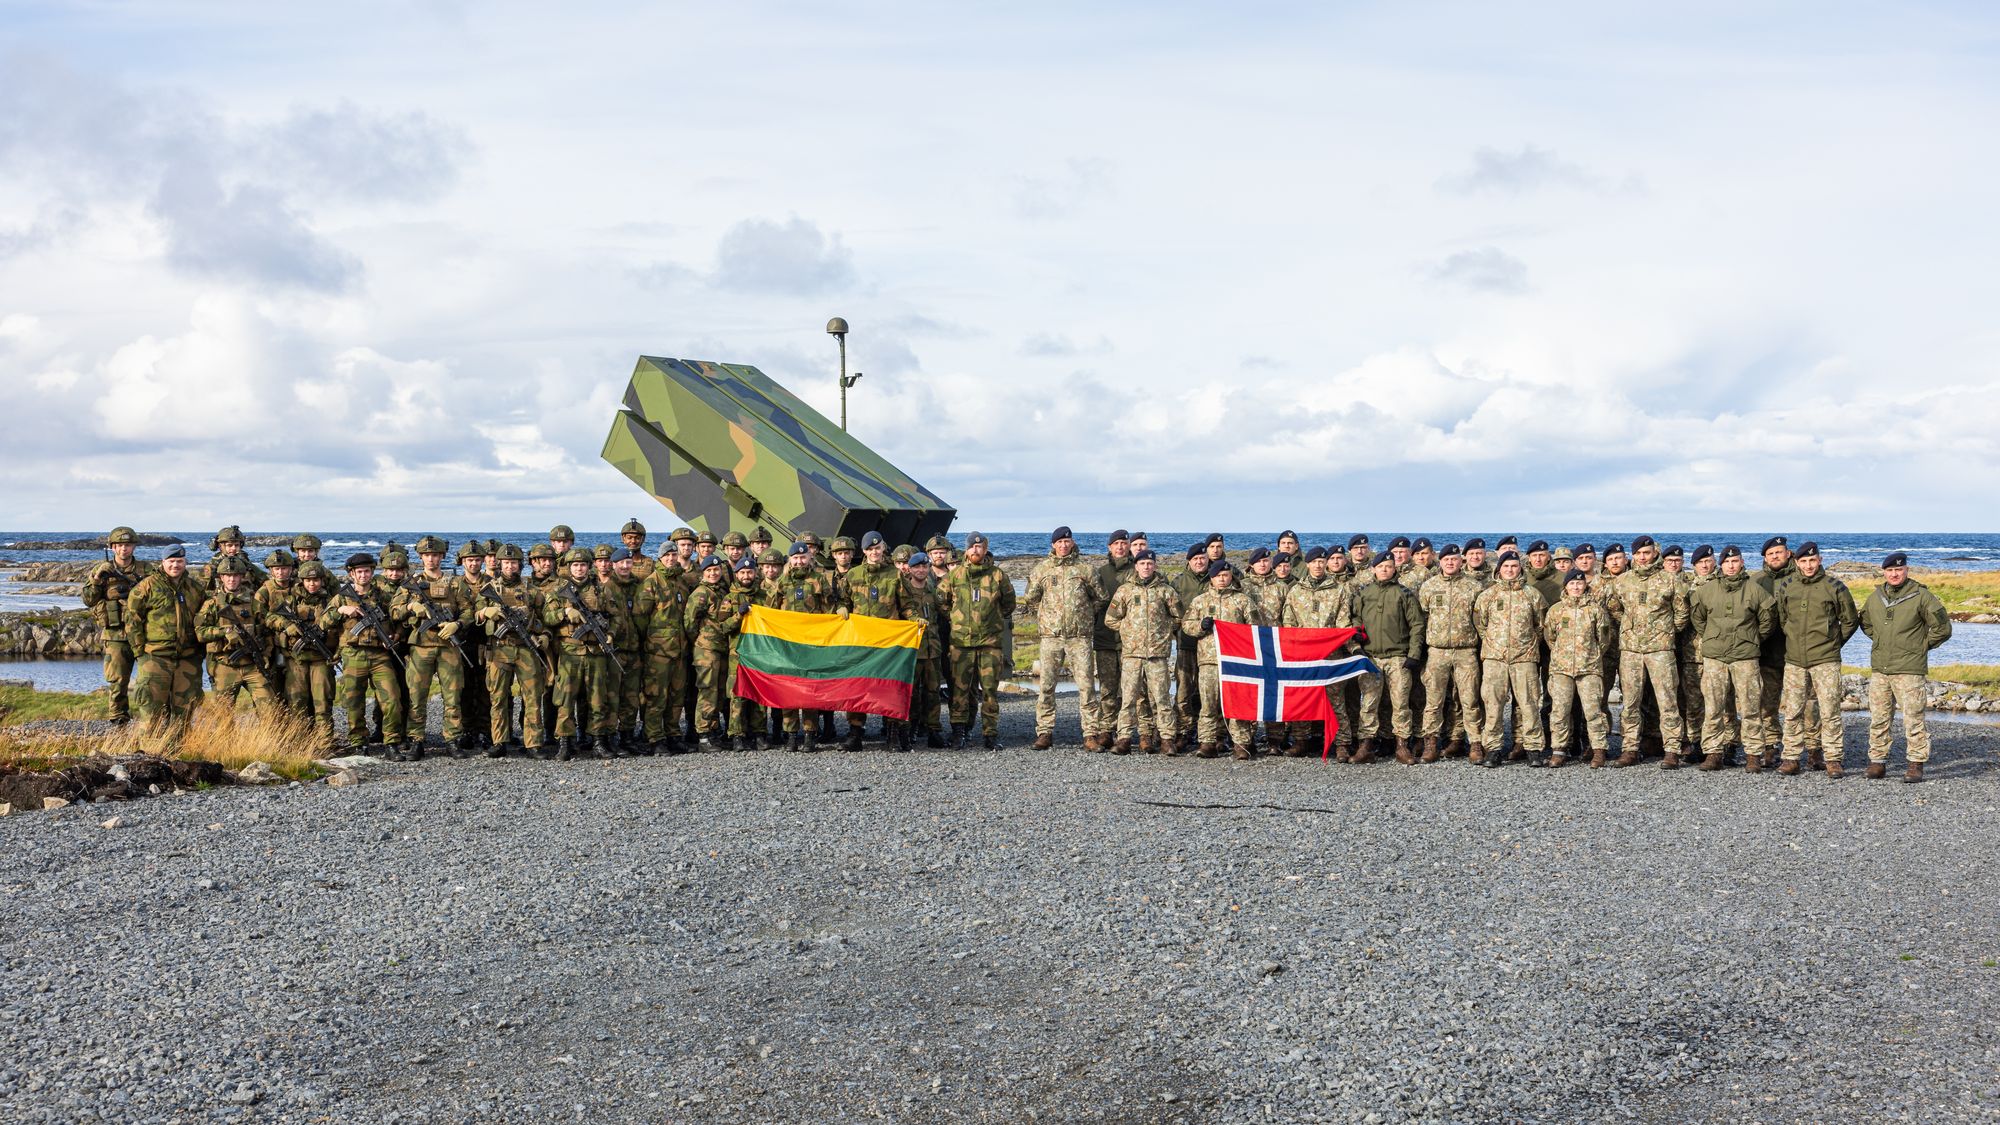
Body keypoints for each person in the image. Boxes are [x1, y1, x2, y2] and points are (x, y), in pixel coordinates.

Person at [1858, 551, 1953, 783]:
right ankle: (1877, 762)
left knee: (1913, 718)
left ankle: (1915, 764)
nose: (1894, 574)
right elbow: (1866, 623)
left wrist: (1920, 646)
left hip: (1910, 670)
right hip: (1881, 668)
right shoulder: (1876, 597)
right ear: (1884, 572)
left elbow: (1943, 628)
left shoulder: (1922, 596)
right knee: (1879, 718)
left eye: (1898, 570)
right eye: (1890, 570)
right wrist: (1881, 641)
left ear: (1906, 570)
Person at [1602, 535, 1690, 768]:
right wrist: (1631, 628)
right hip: (1631, 650)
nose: (1643, 557)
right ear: (1633, 556)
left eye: (1647, 553)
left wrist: (1665, 632)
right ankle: (1630, 748)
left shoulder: (1669, 580)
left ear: (1654, 554)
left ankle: (1672, 749)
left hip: (1660, 650)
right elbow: (1614, 608)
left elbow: (1682, 613)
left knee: (1667, 700)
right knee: (1630, 702)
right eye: (1639, 553)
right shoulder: (1622, 581)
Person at [1774, 542, 1859, 776]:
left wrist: (1834, 643)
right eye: (1803, 561)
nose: (1808, 565)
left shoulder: (1835, 587)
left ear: (1819, 560)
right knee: (1792, 710)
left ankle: (1833, 758)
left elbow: (1850, 620)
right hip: (1794, 660)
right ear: (1796, 562)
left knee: (1830, 710)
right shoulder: (1786, 587)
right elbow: (1783, 620)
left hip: (1826, 660)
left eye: (1812, 560)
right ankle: (1791, 757)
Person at [1690, 546, 1776, 772]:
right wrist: (1711, 637)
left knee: (1750, 707)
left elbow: (1768, 619)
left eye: (1735, 561)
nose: (1731, 566)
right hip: (1715, 657)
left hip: (1745, 656)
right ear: (1720, 564)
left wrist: (1753, 639)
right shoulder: (1707, 590)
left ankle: (1753, 754)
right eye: (1727, 562)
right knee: (1714, 707)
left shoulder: (1754, 589)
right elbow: (1698, 618)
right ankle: (1713, 753)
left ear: (1742, 563)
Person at [1022, 526, 1101, 750]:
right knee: (1046, 686)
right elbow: (1030, 597)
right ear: (1053, 545)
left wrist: (1084, 616)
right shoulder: (1043, 569)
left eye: (1067, 541)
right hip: (1051, 638)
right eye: (1059, 542)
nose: (1064, 545)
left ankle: (1090, 734)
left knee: (1086, 687)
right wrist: (1047, 616)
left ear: (1073, 543)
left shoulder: (1085, 569)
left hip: (1080, 638)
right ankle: (1044, 732)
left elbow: (1100, 598)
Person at [393, 536, 470, 759]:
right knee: (417, 696)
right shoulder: (412, 583)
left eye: (435, 555)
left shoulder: (454, 583)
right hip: (421, 646)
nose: (431, 559)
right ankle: (416, 739)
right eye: (427, 555)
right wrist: (410, 606)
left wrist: (458, 624)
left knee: (453, 695)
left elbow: (468, 610)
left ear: (442, 557)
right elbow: (394, 611)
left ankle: (452, 739)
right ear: (421, 557)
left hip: (449, 647)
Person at [322, 554, 405, 755]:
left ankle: (391, 742)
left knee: (392, 699)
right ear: (351, 574)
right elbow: (323, 623)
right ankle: (359, 742)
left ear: (372, 572)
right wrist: (341, 610)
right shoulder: (342, 597)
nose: (364, 575)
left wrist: (396, 636)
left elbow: (398, 619)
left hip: (380, 655)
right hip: (353, 654)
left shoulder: (383, 595)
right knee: (354, 701)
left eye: (367, 571)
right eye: (359, 572)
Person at [938, 533, 1015, 749]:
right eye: (972, 546)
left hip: (990, 644)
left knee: (990, 691)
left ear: (985, 549)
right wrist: (957, 619)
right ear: (967, 549)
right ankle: (959, 732)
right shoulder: (955, 576)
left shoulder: (998, 576)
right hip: (961, 644)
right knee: (960, 691)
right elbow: (941, 602)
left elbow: (1009, 603)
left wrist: (993, 620)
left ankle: (990, 734)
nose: (975, 550)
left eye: (980, 547)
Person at [1103, 548, 1183, 754]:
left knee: (1162, 699)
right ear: (1136, 566)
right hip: (1132, 654)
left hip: (1157, 655)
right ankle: (1124, 738)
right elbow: (1110, 619)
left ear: (1155, 566)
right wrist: (1128, 630)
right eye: (1142, 564)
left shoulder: (1166, 591)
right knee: (1129, 699)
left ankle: (1167, 739)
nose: (1146, 567)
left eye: (1150, 563)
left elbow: (1179, 618)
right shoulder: (1125, 591)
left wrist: (1164, 630)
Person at [473, 544, 550, 758]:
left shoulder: (531, 590)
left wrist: (544, 636)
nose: (509, 566)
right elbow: (473, 615)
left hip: (526, 649)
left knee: (533, 697)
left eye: (514, 563)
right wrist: (486, 612)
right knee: (498, 697)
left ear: (520, 565)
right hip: (499, 649)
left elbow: (545, 620)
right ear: (499, 564)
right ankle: (499, 741)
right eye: (506, 563)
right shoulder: (489, 590)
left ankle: (533, 743)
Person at [124, 546, 207, 744]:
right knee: (151, 714)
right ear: (163, 562)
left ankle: (180, 756)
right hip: (155, 658)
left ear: (185, 562)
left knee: (184, 715)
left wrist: (199, 653)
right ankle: (145, 755)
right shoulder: (146, 587)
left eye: (179, 561)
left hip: (187, 659)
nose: (175, 565)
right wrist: (140, 653)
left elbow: (204, 621)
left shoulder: (195, 589)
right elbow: (132, 620)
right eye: (171, 561)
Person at [1180, 561, 1261, 759]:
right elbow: (1186, 625)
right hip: (1209, 660)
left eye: (1225, 575)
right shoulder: (1200, 601)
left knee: (1237, 703)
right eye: (1218, 576)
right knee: (1208, 703)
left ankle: (1241, 743)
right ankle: (1207, 742)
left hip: (1236, 661)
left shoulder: (1243, 601)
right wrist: (1201, 625)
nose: (1222, 579)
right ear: (1212, 578)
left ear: (1231, 577)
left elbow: (1256, 628)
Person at [1350, 551, 1426, 763]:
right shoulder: (1363, 593)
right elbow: (1354, 618)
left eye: (1389, 566)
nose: (1385, 569)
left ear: (1395, 569)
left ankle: (1401, 745)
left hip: (1398, 658)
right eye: (1381, 566)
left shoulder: (1404, 594)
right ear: (1373, 569)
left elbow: (1417, 625)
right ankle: (1366, 744)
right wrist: (1357, 642)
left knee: (1401, 703)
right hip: (1371, 657)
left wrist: (1413, 654)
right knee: (1369, 703)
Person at [545, 548, 621, 759]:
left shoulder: (601, 590)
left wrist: (611, 634)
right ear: (569, 567)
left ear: (590, 567)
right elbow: (548, 617)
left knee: (598, 699)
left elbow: (616, 617)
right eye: (575, 565)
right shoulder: (559, 590)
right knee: (565, 699)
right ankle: (565, 742)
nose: (579, 568)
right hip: (570, 652)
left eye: (583, 565)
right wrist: (565, 613)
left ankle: (598, 741)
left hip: (596, 652)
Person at [1473, 550, 1545, 768]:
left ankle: (1533, 748)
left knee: (1529, 703)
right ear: (1499, 569)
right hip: (1495, 658)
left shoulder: (1532, 594)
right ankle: (1493, 749)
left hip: (1524, 658)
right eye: (1506, 567)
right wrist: (1495, 644)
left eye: (1514, 566)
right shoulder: (1488, 595)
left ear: (1520, 569)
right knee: (1493, 704)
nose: (1510, 570)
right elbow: (1480, 624)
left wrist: (1527, 645)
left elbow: (1540, 625)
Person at [1281, 547, 1354, 758]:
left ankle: (1342, 743)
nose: (1318, 566)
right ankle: (1302, 740)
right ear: (1307, 564)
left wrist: (1349, 645)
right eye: (1314, 562)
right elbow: (1288, 622)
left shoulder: (1339, 590)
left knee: (1335, 699)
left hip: (1331, 655)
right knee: (1303, 696)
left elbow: (1343, 623)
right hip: (1303, 655)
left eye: (1322, 562)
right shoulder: (1296, 591)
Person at [838, 531, 905, 750]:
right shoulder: (853, 575)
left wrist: (915, 619)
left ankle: (893, 732)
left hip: (888, 643)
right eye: (870, 549)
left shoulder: (895, 575)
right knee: (858, 686)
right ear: (864, 552)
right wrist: (841, 608)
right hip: (861, 641)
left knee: (889, 686)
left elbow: (907, 603)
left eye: (878, 548)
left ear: (883, 548)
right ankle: (855, 732)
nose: (875, 552)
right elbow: (842, 599)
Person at [1416, 544, 1483, 763]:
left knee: (1469, 700)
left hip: (1466, 651)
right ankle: (1431, 743)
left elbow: (1480, 620)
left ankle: (1475, 744)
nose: (1450, 563)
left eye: (1454, 559)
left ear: (1461, 561)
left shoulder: (1473, 587)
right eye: (1446, 560)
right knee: (1433, 700)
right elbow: (1423, 618)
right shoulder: (1429, 587)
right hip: (1437, 651)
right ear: (1440, 561)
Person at [1542, 569, 1613, 768]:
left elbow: (1604, 639)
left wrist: (1590, 655)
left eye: (1579, 584)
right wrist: (1562, 655)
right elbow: (1550, 638)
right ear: (1565, 586)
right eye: (1572, 583)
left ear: (1585, 586)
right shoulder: (1556, 610)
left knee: (1593, 711)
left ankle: (1599, 749)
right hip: (1561, 668)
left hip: (1589, 668)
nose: (1575, 587)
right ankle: (1559, 750)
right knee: (1560, 711)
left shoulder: (1596, 610)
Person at [195, 556, 282, 714]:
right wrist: (225, 632)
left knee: (270, 711)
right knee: (222, 716)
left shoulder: (254, 602)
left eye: (236, 575)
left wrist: (267, 654)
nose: (232, 579)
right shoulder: (212, 603)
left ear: (242, 577)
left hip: (253, 666)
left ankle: (267, 739)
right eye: (228, 576)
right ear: (221, 577)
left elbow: (266, 629)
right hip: (224, 665)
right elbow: (200, 632)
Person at [84, 527, 151, 725]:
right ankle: (118, 720)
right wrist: (96, 580)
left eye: (128, 545)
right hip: (115, 635)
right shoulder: (101, 570)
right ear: (113, 547)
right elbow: (88, 600)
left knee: (150, 679)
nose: (124, 549)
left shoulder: (146, 569)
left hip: (143, 633)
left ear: (134, 547)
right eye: (120, 545)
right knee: (117, 682)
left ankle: (150, 719)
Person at [634, 541, 693, 755]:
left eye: (673, 555)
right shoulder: (651, 583)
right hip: (658, 652)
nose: (670, 558)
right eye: (666, 555)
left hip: (679, 650)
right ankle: (654, 737)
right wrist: (651, 641)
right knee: (656, 697)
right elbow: (640, 618)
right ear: (660, 558)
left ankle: (673, 734)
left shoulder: (681, 582)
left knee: (676, 696)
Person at [270, 561, 338, 731]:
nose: (312, 584)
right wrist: (286, 625)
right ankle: (300, 741)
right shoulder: (291, 599)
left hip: (321, 659)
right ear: (302, 581)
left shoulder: (330, 601)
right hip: (296, 659)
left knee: (322, 702)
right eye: (308, 580)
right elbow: (270, 617)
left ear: (322, 581)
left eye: (316, 580)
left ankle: (324, 742)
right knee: (296, 701)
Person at [684, 555, 737, 749]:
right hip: (706, 649)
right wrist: (700, 640)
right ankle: (703, 734)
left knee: (719, 692)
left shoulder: (722, 590)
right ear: (703, 573)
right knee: (707, 691)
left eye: (716, 570)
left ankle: (714, 730)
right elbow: (690, 623)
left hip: (721, 647)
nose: (713, 573)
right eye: (709, 571)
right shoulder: (701, 593)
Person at [899, 552, 948, 750]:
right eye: (917, 567)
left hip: (932, 649)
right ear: (910, 569)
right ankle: (909, 729)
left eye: (924, 567)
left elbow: (943, 611)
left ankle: (934, 730)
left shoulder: (932, 590)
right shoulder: (904, 591)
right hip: (912, 650)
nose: (921, 570)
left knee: (933, 691)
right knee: (911, 693)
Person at [1092, 530, 1136, 749]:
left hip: (1133, 643)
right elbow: (1092, 604)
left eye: (1124, 543)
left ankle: (1126, 731)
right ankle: (1106, 729)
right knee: (1108, 688)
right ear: (1109, 547)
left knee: (1130, 690)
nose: (1120, 547)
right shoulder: (1100, 573)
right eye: (1116, 543)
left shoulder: (1138, 571)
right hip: (1105, 638)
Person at [1171, 546, 1213, 748]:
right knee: (1184, 690)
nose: (1199, 562)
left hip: (1213, 647)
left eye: (1202, 558)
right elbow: (1172, 613)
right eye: (1195, 558)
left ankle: (1213, 732)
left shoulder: (1216, 578)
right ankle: (1184, 730)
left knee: (1209, 691)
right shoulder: (1179, 582)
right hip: (1186, 644)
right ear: (1189, 561)